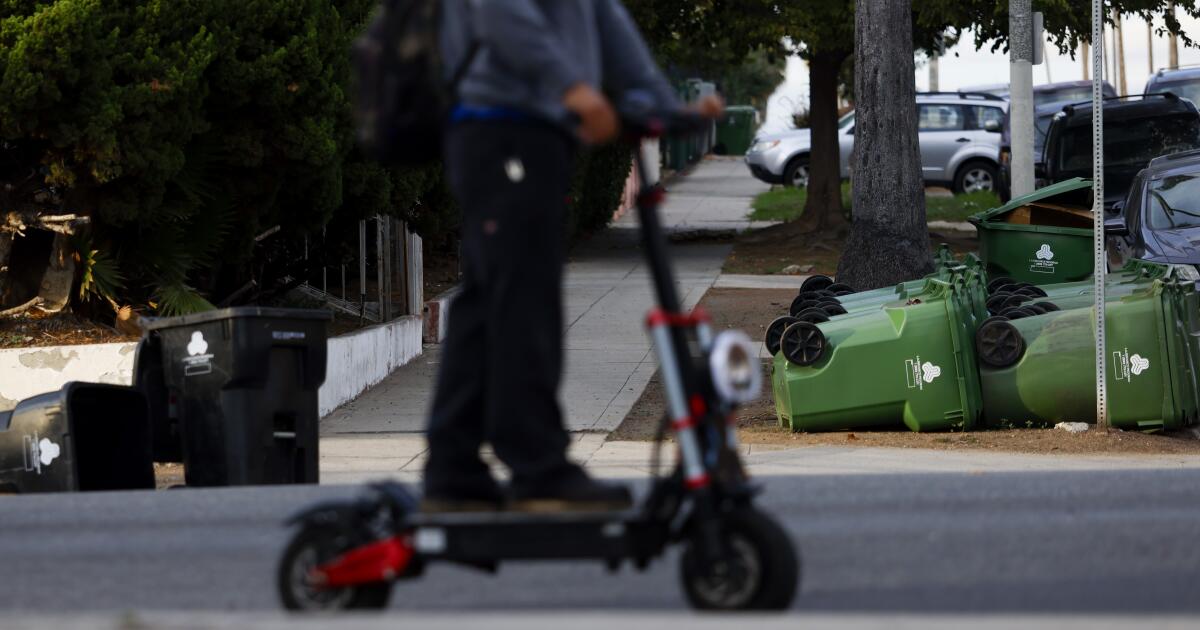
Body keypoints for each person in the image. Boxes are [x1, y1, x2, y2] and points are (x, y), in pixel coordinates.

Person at [424, 0, 720, 513]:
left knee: (489, 306)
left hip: (535, 137)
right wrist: (574, 87)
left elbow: (605, 20)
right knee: (523, 305)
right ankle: (537, 469)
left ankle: (453, 473)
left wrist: (659, 102)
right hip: (501, 129)